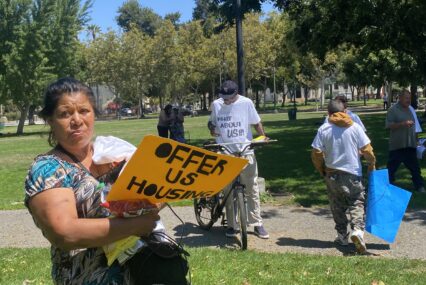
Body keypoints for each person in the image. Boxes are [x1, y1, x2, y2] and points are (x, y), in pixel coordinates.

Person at [24, 78, 160, 284]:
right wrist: (138, 224)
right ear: (50, 120)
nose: (77, 120)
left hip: (141, 271)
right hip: (87, 277)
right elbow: (65, 233)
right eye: (64, 113)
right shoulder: (48, 169)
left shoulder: (114, 153)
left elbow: (159, 193)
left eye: (84, 111)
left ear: (94, 113)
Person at [311, 99, 376, 254]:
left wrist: (321, 169)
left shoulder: (323, 129)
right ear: (345, 111)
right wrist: (371, 164)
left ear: (328, 113)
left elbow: (316, 153)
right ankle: (358, 231)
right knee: (357, 202)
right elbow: (367, 150)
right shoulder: (355, 127)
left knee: (337, 205)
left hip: (332, 174)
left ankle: (342, 235)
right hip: (352, 173)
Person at [207, 80, 269, 239]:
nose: (226, 101)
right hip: (225, 152)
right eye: (224, 98)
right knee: (228, 190)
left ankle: (256, 223)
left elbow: (256, 123)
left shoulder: (246, 103)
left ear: (236, 94)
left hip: (245, 150)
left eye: (229, 98)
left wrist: (263, 136)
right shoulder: (216, 104)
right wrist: (212, 129)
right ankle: (232, 225)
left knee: (251, 188)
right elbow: (211, 122)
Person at [386, 90, 426, 193]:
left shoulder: (411, 109)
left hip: (410, 144)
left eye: (409, 98)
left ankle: (419, 186)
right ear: (400, 98)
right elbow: (389, 125)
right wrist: (402, 124)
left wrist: (417, 140)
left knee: (415, 168)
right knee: (391, 169)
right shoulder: (393, 110)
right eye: (406, 98)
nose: (409, 100)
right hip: (397, 145)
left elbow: (416, 125)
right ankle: (387, 186)